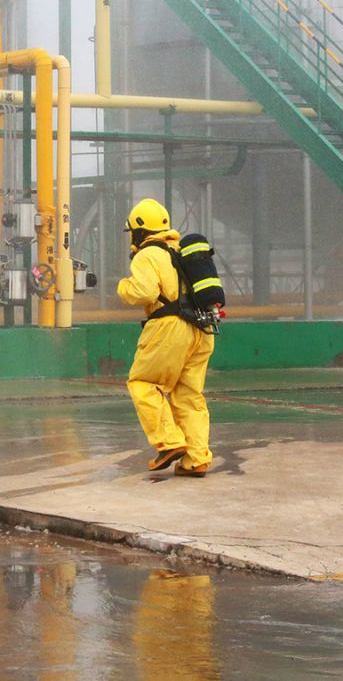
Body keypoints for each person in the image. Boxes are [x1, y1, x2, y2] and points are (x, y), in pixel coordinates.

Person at [117, 198, 213, 478]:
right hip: (202, 328)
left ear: (139, 230)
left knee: (143, 383)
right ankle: (196, 459)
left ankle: (169, 443)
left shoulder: (147, 255)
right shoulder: (180, 251)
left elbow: (144, 292)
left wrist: (123, 287)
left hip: (170, 328)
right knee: (189, 395)